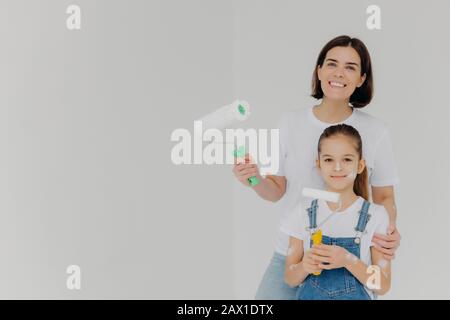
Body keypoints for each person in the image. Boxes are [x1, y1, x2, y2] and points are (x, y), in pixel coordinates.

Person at [233, 35, 400, 300]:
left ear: (361, 79)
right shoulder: (290, 122)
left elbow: (384, 197)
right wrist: (253, 179)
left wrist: (387, 232)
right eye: (332, 64)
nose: (339, 73)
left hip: (351, 261)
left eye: (350, 67)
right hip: (293, 255)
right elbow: (275, 190)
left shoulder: (376, 131)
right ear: (319, 70)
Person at [283, 124, 391, 300]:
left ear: (360, 165)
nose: (338, 167)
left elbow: (382, 286)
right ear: (319, 165)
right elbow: (290, 278)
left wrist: (348, 260)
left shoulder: (376, 216)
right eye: (328, 160)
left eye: (347, 159)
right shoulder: (303, 212)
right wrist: (305, 266)